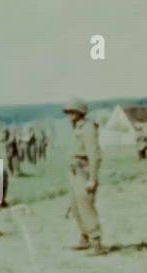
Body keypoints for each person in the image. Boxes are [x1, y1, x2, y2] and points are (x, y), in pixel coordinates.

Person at [63, 98, 105, 255]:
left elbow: (94, 155)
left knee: (86, 208)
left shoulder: (88, 128)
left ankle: (96, 242)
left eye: (72, 112)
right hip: (75, 173)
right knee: (76, 207)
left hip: (84, 173)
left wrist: (92, 178)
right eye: (67, 112)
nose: (69, 115)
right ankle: (85, 238)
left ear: (80, 112)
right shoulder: (77, 128)